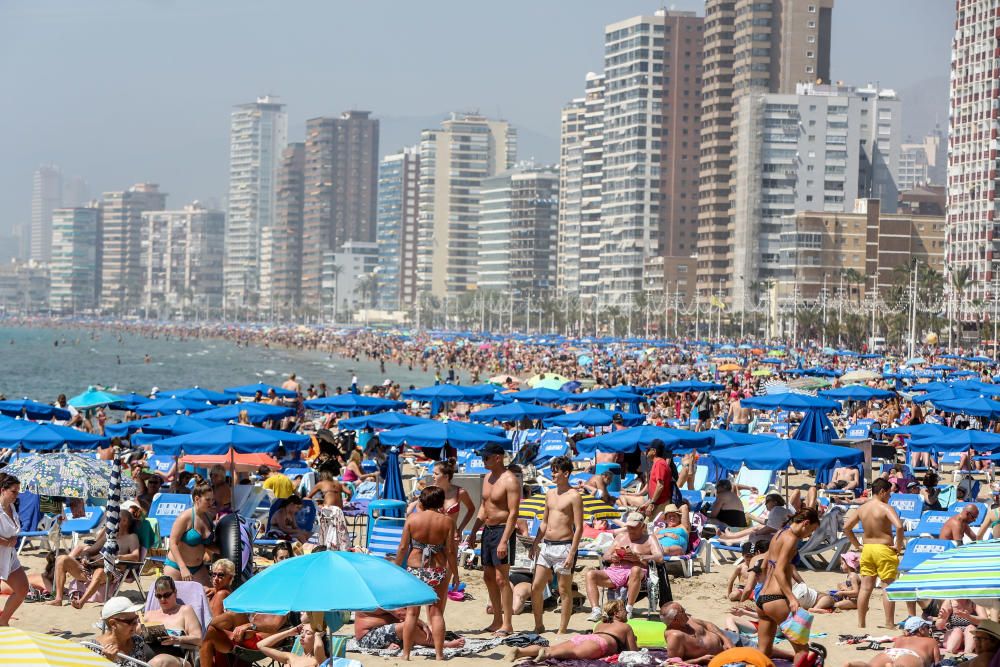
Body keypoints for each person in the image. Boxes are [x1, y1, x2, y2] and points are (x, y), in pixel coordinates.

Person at [394, 486, 456, 660]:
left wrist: (396, 568)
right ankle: (439, 654)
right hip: (437, 569)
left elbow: (403, 547)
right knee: (436, 613)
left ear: (422, 501)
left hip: (416, 568)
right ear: (440, 502)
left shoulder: (412, 519)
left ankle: (406, 654)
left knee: (412, 613)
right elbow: (450, 551)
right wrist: (456, 573)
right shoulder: (447, 521)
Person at [467, 442, 521, 636]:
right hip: (488, 530)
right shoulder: (488, 477)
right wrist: (474, 531)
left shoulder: (510, 480)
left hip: (502, 530)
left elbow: (514, 513)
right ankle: (497, 619)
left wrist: (504, 540)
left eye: (486, 457)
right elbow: (483, 506)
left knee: (501, 579)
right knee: (488, 576)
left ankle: (507, 623)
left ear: (498, 458)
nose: (483, 461)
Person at [755, 507, 820, 662]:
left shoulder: (778, 533)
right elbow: (779, 571)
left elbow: (764, 566)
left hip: (761, 598)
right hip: (776, 599)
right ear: (805, 523)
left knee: (763, 651)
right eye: (811, 530)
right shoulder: (791, 538)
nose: (809, 535)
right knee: (802, 650)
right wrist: (791, 598)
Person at [527, 455, 583, 634]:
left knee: (563, 589)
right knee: (536, 587)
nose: (552, 474)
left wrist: (571, 554)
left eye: (555, 471)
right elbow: (544, 522)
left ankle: (562, 629)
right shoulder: (549, 494)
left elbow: (579, 527)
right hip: (547, 546)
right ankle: (538, 625)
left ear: (566, 473)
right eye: (552, 471)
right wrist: (535, 543)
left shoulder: (574, 496)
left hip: (564, 546)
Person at [844, 478, 908, 629]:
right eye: (889, 494)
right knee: (887, 587)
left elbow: (847, 528)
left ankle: (861, 623)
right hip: (883, 549)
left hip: (867, 549)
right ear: (882, 492)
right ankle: (889, 623)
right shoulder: (885, 507)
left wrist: (857, 545)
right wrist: (898, 547)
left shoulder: (862, 508)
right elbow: (899, 527)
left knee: (866, 587)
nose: (890, 497)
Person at [585, 511, 664, 621]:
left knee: (635, 569)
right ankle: (596, 610)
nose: (630, 530)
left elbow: (659, 557)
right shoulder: (621, 537)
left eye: (634, 527)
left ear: (642, 526)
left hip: (636, 573)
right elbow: (605, 556)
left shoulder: (649, 539)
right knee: (590, 574)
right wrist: (612, 557)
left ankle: (628, 609)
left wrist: (640, 557)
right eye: (629, 527)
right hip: (615, 570)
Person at [509, 600, 637, 661]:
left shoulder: (600, 624)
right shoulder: (625, 627)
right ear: (616, 614)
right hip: (600, 643)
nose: (626, 612)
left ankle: (521, 651)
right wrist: (633, 640)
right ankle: (547, 654)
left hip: (584, 638)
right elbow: (633, 652)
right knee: (573, 653)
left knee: (553, 647)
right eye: (624, 610)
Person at [70, 508, 141, 608]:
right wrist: (85, 557)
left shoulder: (131, 537)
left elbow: (135, 556)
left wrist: (117, 557)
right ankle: (58, 597)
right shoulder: (110, 535)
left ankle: (81, 602)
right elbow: (90, 550)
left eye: (115, 519)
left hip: (113, 570)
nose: (112, 522)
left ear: (125, 521)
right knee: (62, 559)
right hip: (93, 566)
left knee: (99, 572)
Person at [90, 596, 184, 666]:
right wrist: (107, 663)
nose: (136, 624)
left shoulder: (137, 641)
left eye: (136, 619)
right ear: (113, 624)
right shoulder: (93, 649)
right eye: (130, 621)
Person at [165, 482, 217, 585]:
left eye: (212, 500)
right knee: (175, 599)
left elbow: (206, 544)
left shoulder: (209, 517)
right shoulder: (185, 517)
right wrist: (183, 567)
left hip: (198, 567)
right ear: (197, 499)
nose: (211, 503)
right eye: (207, 500)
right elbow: (173, 543)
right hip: (176, 567)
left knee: (207, 598)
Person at [199, 611, 289, 667]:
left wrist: (250, 625)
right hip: (246, 636)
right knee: (208, 632)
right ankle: (200, 626)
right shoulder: (265, 599)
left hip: (260, 641)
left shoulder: (283, 605)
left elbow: (274, 627)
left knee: (235, 614)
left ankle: (196, 625)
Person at [143, 575, 203, 660]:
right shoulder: (148, 615)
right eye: (159, 596)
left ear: (175, 592)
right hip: (146, 660)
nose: (163, 599)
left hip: (175, 659)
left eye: (167, 595)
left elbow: (199, 639)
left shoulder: (185, 610)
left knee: (159, 661)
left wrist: (178, 639)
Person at [844, 616, 940, 667]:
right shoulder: (931, 641)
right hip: (912, 655)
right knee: (900, 665)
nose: (929, 630)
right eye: (927, 627)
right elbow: (937, 662)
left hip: (891, 653)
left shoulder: (901, 639)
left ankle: (851, 665)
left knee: (870, 666)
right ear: (921, 630)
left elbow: (896, 651)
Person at [354, 609, 465, 652]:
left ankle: (385, 645)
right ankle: (443, 645)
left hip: (380, 633)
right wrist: (423, 624)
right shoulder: (377, 596)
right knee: (407, 626)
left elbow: (405, 612)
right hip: (367, 638)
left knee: (411, 626)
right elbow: (400, 613)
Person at [616, 440, 673, 516]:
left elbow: (660, 486)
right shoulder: (657, 463)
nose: (646, 452)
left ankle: (631, 513)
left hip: (659, 504)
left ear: (654, 451)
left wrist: (651, 503)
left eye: (648, 450)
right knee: (619, 499)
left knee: (647, 525)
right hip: (654, 501)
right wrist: (647, 503)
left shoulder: (660, 464)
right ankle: (633, 512)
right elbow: (652, 487)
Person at [0, 473, 27, 625]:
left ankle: (3, 621)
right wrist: (5, 541)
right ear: (3, 490)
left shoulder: (11, 506)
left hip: (9, 556)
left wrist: (12, 540)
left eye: (18, 491)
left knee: (22, 589)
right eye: (14, 491)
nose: (17, 495)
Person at [430, 459, 476, 543]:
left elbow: (471, 509)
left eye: (436, 474)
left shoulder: (460, 492)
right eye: (433, 473)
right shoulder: (431, 491)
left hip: (452, 535)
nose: (433, 476)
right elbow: (419, 508)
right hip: (433, 534)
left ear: (446, 476)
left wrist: (461, 529)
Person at [306, 470, 350, 550]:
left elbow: (308, 497)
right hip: (339, 511)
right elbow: (349, 492)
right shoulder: (338, 483)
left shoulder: (321, 484)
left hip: (328, 512)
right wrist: (348, 499)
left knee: (315, 506)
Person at [256, 619, 326, 667]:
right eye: (301, 632)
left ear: (318, 637)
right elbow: (261, 645)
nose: (302, 635)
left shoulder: (320, 660)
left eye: (308, 633)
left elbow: (319, 647)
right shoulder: (291, 657)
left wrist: (318, 636)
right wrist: (288, 632)